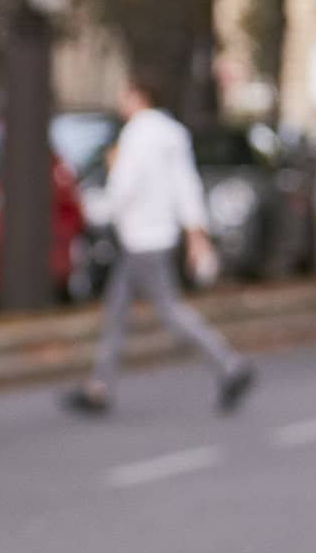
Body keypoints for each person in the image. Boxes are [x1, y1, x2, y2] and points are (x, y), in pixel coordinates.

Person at [64, 80, 255, 416]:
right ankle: (99, 386)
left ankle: (229, 364)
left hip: (139, 238)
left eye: (124, 93)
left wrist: (108, 184)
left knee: (167, 310)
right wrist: (196, 233)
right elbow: (186, 185)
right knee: (117, 312)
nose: (120, 101)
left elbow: (124, 187)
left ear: (139, 95)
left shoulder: (136, 135)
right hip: (161, 235)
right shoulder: (173, 134)